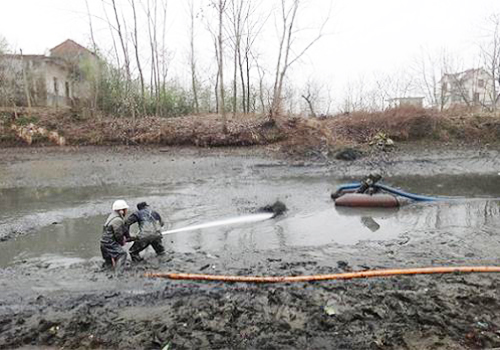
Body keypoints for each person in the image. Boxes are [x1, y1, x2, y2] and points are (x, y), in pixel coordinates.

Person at [100, 199, 131, 270]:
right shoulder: (117, 220)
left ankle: (107, 272)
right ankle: (118, 275)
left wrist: (128, 237)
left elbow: (124, 229)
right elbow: (118, 234)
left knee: (108, 263)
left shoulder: (112, 216)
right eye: (125, 209)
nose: (126, 211)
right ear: (121, 210)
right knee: (122, 254)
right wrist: (121, 242)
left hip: (104, 243)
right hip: (110, 243)